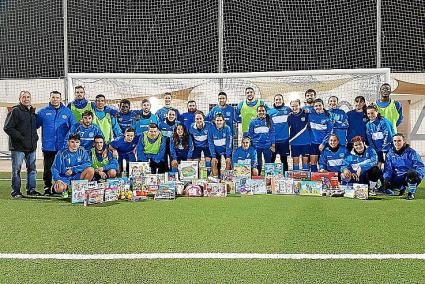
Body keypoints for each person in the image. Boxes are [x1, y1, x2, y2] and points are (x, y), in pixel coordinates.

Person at [36, 91, 75, 195]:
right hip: (48, 146)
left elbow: (73, 126)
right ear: (50, 98)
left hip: (62, 147)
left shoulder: (67, 112)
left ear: (60, 99)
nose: (55, 99)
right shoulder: (42, 112)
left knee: (63, 167)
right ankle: (47, 187)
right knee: (48, 168)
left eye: (57, 97)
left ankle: (64, 187)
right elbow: (34, 125)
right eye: (53, 97)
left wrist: (67, 140)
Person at [3, 90, 41, 198]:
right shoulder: (15, 111)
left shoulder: (32, 112)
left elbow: (34, 128)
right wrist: (21, 138)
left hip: (31, 147)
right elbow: (7, 127)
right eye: (23, 97)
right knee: (16, 170)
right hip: (18, 147)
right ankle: (15, 192)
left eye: (28, 97)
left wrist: (35, 138)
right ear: (20, 99)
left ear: (30, 99)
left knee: (32, 169)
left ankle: (31, 190)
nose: (26, 99)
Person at [383, 133, 425, 200]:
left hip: (407, 177)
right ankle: (400, 188)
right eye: (395, 141)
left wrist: (418, 176)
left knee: (412, 172)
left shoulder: (411, 152)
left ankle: (411, 193)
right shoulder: (390, 153)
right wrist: (386, 178)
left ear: (404, 141)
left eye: (399, 141)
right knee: (384, 176)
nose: (397, 143)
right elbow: (388, 169)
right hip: (396, 177)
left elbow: (420, 166)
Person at [248, 105, 275, 175]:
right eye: (259, 111)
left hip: (267, 146)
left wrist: (273, 144)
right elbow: (250, 134)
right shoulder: (253, 122)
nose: (261, 112)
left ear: (265, 112)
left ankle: (269, 177)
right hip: (256, 146)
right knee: (258, 162)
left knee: (268, 162)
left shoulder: (269, 120)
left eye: (263, 111)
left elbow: (272, 132)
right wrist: (252, 144)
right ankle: (258, 176)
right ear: (257, 112)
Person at [268, 94, 292, 171]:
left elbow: (296, 113)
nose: (278, 101)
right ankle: (269, 178)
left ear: (283, 100)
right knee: (271, 160)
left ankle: (285, 178)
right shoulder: (269, 112)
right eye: (276, 100)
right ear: (274, 101)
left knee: (284, 160)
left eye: (279, 99)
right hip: (273, 141)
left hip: (284, 140)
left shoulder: (288, 110)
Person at [308, 99, 332, 172]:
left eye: (319, 105)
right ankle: (313, 181)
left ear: (323, 106)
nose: (318, 107)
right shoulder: (310, 115)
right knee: (313, 164)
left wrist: (323, 143)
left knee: (324, 164)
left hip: (324, 144)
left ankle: (325, 182)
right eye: (316, 106)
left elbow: (329, 132)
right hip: (313, 143)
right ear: (313, 107)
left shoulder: (328, 116)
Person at [288, 99, 310, 171]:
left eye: (296, 106)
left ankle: (306, 179)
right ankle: (295, 178)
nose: (294, 108)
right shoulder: (290, 116)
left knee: (305, 161)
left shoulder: (306, 113)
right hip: (294, 142)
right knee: (295, 161)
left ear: (300, 105)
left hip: (305, 142)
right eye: (292, 106)